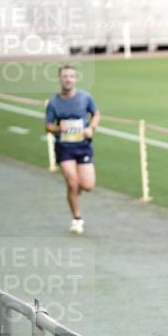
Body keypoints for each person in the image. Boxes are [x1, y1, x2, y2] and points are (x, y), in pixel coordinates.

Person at [44, 65, 100, 234]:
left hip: (82, 146)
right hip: (64, 147)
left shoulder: (85, 97)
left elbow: (96, 114)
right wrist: (59, 128)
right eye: (65, 76)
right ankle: (77, 218)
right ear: (60, 79)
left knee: (87, 185)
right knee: (72, 181)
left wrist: (91, 128)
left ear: (75, 79)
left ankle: (75, 192)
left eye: (71, 76)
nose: (68, 79)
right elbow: (48, 126)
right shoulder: (53, 102)